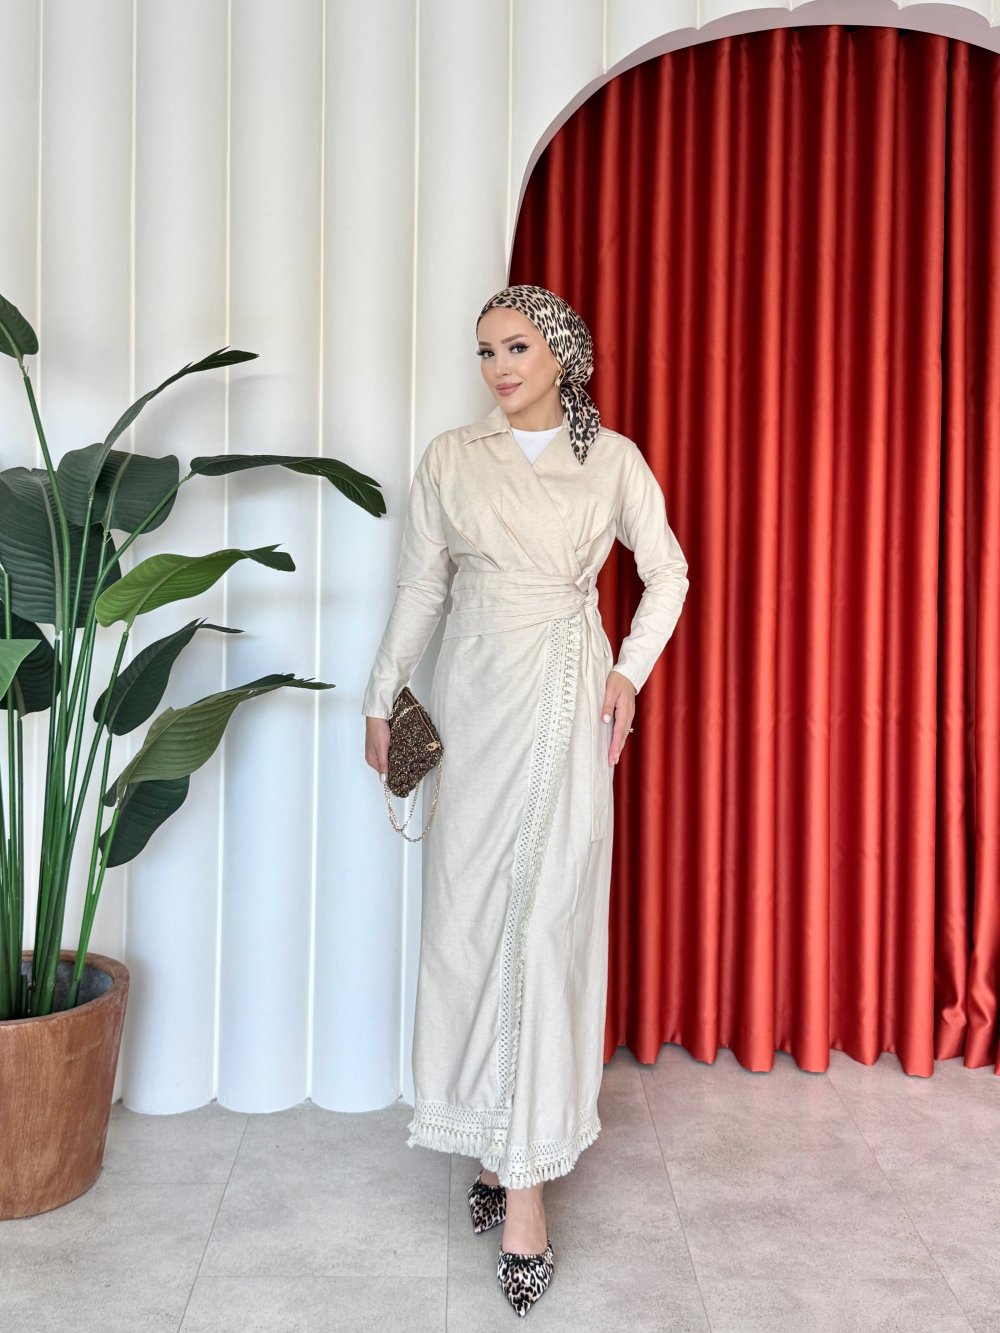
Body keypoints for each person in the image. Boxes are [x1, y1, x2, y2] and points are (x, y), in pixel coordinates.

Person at [363, 284, 688, 1317]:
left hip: (562, 693)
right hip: (469, 702)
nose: (498, 367)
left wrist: (627, 671)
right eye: (485, 351)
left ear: (561, 354)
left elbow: (668, 572)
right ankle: (491, 1139)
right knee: (467, 920)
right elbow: (422, 586)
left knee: (545, 922)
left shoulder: (614, 459)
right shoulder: (451, 458)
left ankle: (527, 1193)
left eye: (516, 347)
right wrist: (380, 698)